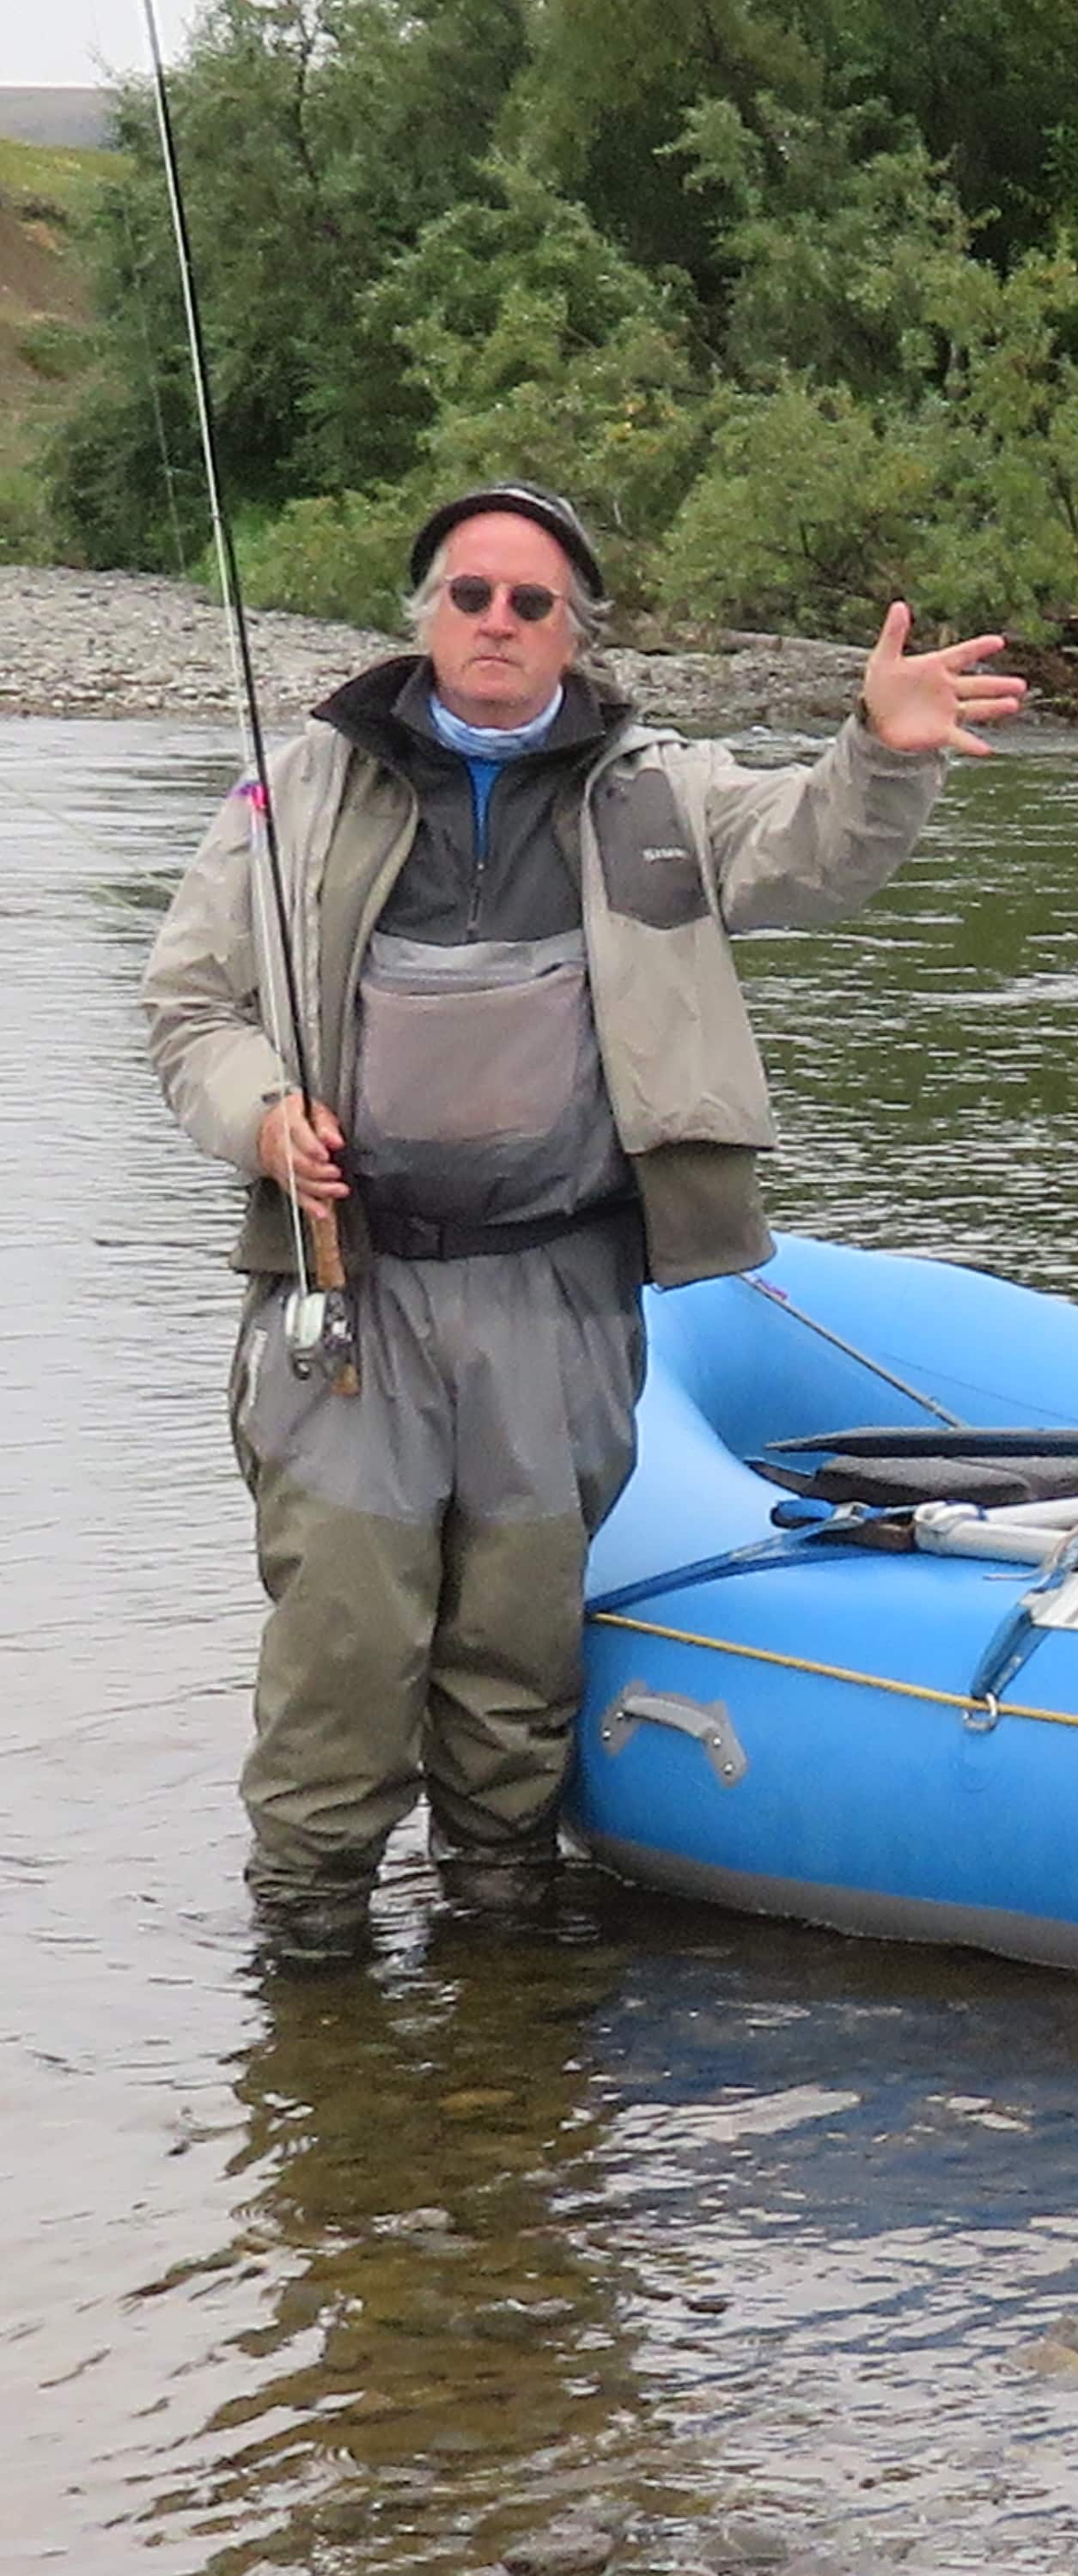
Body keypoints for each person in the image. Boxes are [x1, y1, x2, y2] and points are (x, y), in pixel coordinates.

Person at [142, 481, 1024, 1968]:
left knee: (511, 1669)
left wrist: (879, 751)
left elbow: (810, 851)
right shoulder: (294, 787)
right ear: (421, 613)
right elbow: (189, 1008)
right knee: (344, 1661)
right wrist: (260, 1117)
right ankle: (310, 1986)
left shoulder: (657, 787)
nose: (497, 622)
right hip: (354, 1296)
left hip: (556, 1296)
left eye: (530, 601)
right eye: (470, 594)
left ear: (574, 633)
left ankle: (500, 1965)